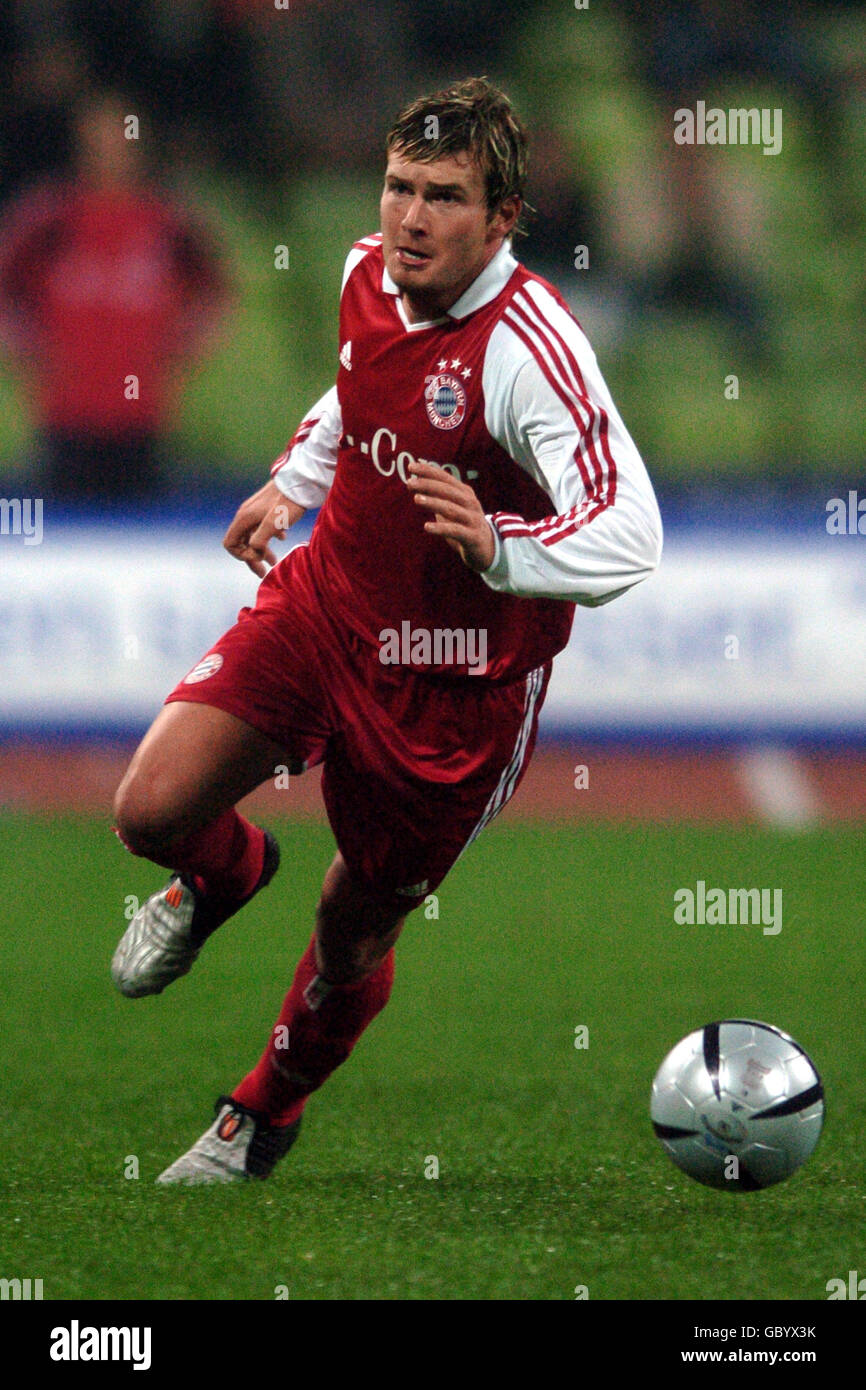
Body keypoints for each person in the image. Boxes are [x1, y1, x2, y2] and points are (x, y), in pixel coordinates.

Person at [110, 77, 663, 1184]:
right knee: (151, 810)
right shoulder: (367, 267)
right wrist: (293, 479)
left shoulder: (526, 351)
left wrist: (503, 549)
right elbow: (354, 392)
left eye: (445, 197)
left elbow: (630, 529)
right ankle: (222, 875)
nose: (411, 217)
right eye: (399, 187)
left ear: (502, 217)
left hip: (453, 688)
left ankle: (259, 1114)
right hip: (324, 606)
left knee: (351, 929)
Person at [0, 90, 229, 500]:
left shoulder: (169, 223)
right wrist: (30, 351)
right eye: (98, 141)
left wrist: (177, 354)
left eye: (119, 141)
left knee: (140, 544)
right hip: (65, 417)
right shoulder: (48, 220)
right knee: (63, 544)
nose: (109, 153)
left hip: (141, 418)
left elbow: (215, 294)